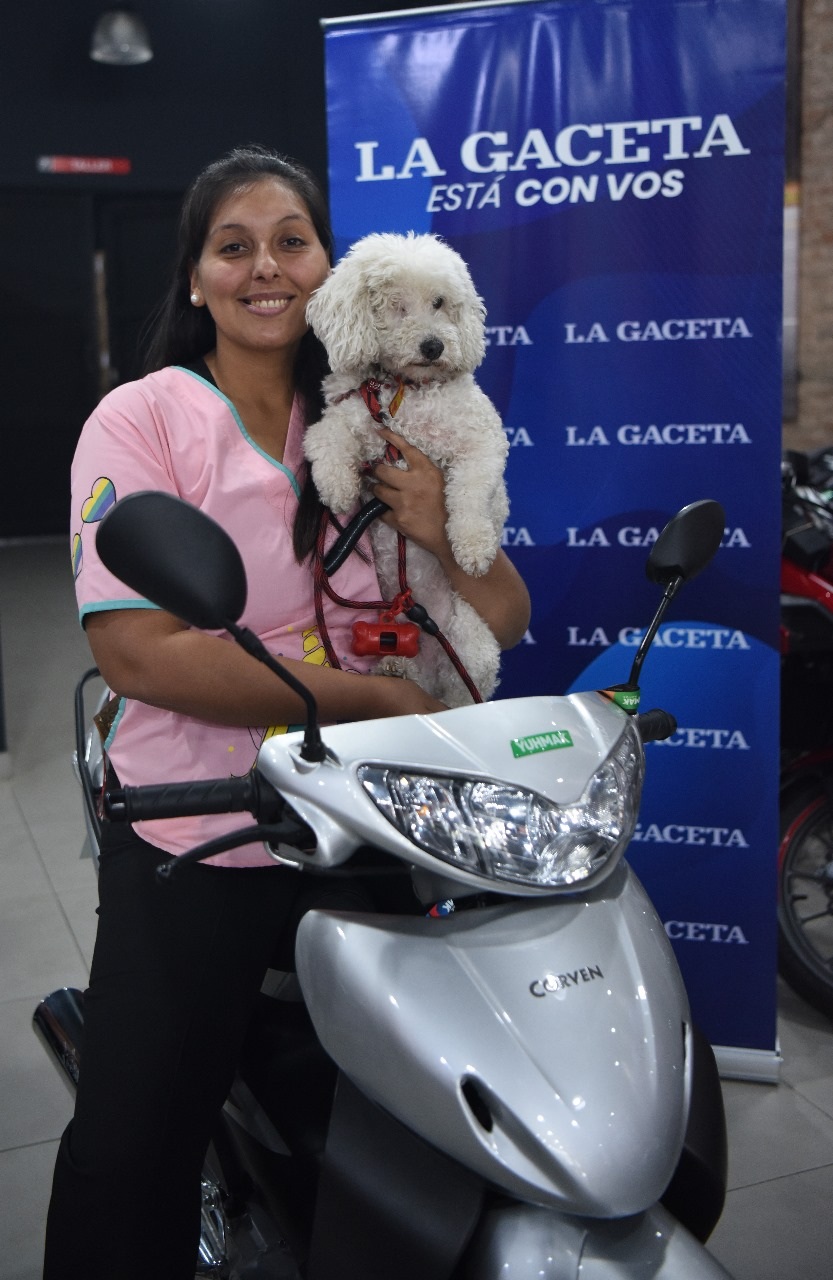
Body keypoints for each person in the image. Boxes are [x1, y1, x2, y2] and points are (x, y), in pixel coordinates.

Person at [45, 144, 531, 1279]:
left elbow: (500, 612)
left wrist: (430, 525)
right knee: (136, 1137)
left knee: (405, 1109)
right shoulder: (143, 418)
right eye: (234, 245)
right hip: (202, 822)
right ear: (198, 276)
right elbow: (135, 650)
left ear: (330, 270)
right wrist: (358, 694)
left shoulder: (395, 410)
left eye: (290, 240)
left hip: (373, 813)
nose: (264, 266)